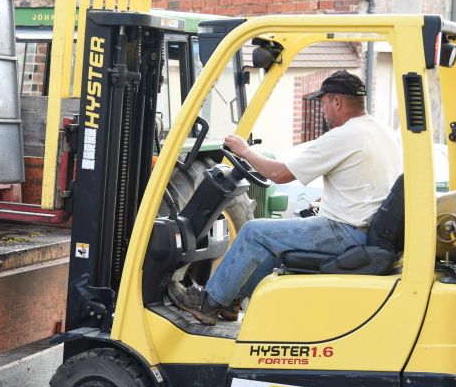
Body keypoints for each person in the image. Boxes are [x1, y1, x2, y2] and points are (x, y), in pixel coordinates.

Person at [167, 70, 402, 325]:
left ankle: (208, 303)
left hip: (346, 232)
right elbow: (369, 182)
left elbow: (279, 174)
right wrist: (332, 200)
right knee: (268, 243)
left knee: (253, 232)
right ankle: (231, 303)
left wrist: (245, 152)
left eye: (323, 103)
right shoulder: (380, 131)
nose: (323, 111)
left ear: (337, 102)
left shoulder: (344, 136)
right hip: (364, 228)